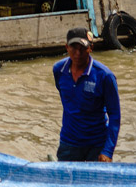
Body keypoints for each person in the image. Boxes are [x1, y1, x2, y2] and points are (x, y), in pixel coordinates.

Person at [52, 27, 121, 162]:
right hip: (69, 142)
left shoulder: (105, 76)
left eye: (82, 48)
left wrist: (108, 150)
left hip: (96, 144)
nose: (78, 53)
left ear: (90, 48)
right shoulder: (58, 70)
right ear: (66, 47)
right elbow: (66, 100)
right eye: (73, 47)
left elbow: (115, 114)